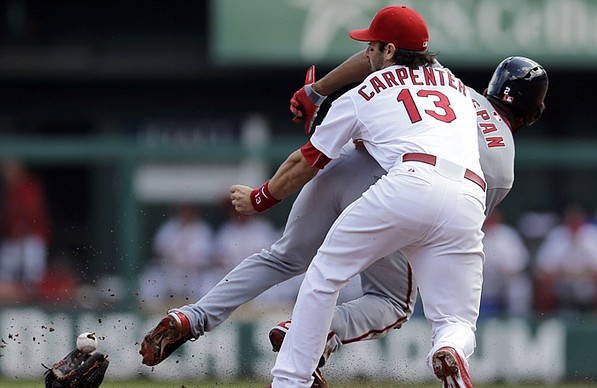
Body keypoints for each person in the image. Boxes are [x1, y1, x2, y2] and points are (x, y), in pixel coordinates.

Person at [139, 9, 548, 388]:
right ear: (535, 111)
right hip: (415, 185)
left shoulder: (450, 81)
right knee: (393, 303)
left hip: (346, 166)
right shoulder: (490, 142)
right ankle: (320, 337)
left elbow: (370, 64)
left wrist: (316, 91)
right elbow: (444, 231)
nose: (372, 50)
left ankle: (194, 316)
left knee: (287, 257)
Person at [244, 5, 488, 387]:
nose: (367, 53)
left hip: (412, 180)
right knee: (456, 322)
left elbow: (306, 163)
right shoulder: (454, 83)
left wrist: (261, 198)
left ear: (388, 51)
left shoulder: (362, 94)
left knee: (325, 274)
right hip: (469, 196)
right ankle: (451, 351)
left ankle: (291, 380)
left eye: (372, 46)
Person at [138, 203, 216, 312]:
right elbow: (156, 251)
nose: (186, 214)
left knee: (209, 282)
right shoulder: (169, 227)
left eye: (189, 210)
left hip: (194, 276)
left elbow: (208, 257)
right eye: (184, 210)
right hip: (170, 273)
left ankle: (202, 315)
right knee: (151, 279)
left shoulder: (202, 230)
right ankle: (152, 315)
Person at [534, 204, 597, 312]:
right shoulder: (556, 235)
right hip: (562, 283)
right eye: (571, 222)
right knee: (543, 288)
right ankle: (547, 321)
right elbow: (543, 271)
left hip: (587, 284)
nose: (574, 226)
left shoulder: (593, 235)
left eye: (577, 222)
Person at [0, 159, 51, 290]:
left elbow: (33, 212)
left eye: (8, 169)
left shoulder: (29, 186)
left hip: (32, 236)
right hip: (13, 237)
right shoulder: (10, 189)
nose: (6, 173)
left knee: (33, 275)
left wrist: (23, 227)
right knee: (5, 272)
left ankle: (35, 301)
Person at [479, 208, 532, 318]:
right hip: (488, 285)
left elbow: (519, 263)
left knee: (517, 291)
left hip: (510, 284)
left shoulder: (508, 235)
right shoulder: (479, 235)